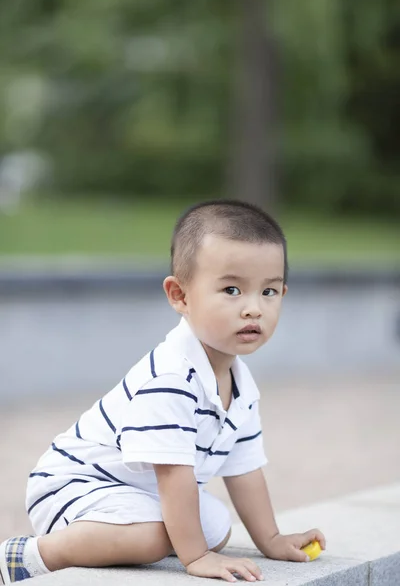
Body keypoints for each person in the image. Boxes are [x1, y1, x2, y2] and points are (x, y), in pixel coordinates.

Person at [0, 200, 326, 584]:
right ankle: (27, 556)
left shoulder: (241, 384)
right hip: (77, 485)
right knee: (160, 538)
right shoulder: (171, 377)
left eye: (268, 292)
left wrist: (270, 539)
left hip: (138, 493)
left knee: (217, 527)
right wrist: (196, 557)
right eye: (232, 289)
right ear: (180, 296)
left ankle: (127, 538)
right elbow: (173, 476)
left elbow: (245, 469)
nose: (253, 309)